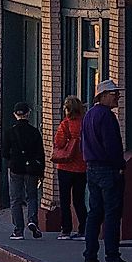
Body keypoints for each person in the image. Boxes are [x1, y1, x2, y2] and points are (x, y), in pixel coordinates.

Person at [80, 80, 130, 262]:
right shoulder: (107, 116)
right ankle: (112, 255)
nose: (117, 96)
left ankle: (90, 255)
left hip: (91, 168)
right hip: (107, 170)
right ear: (102, 96)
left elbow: (83, 142)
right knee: (111, 214)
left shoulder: (89, 115)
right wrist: (119, 165)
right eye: (113, 94)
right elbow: (112, 146)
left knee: (94, 213)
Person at [0, 101, 47, 239]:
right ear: (28, 114)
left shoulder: (10, 132)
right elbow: (40, 153)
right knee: (32, 196)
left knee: (15, 199)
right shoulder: (34, 132)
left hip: (15, 168)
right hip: (31, 168)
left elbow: (4, 153)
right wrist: (41, 171)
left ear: (15, 115)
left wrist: (12, 160)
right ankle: (32, 220)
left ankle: (18, 230)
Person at [50, 96, 87, 240]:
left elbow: (58, 143)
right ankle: (83, 228)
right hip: (82, 166)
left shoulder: (65, 124)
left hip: (65, 166)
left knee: (65, 200)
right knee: (79, 199)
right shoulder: (84, 123)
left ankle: (66, 229)